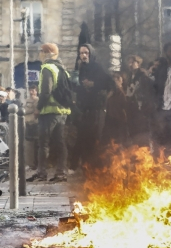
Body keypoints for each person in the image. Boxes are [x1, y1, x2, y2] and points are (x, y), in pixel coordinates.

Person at [26, 43, 71, 182]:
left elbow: (46, 91)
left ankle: (41, 173)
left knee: (43, 143)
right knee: (60, 142)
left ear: (48, 53)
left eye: (42, 51)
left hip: (49, 112)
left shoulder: (47, 68)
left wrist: (38, 108)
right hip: (62, 112)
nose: (40, 53)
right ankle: (61, 172)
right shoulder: (63, 69)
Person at [73, 43, 112, 169]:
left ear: (91, 53)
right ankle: (86, 166)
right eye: (81, 53)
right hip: (85, 109)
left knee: (95, 138)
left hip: (97, 109)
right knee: (83, 137)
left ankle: (97, 167)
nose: (84, 56)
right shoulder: (82, 68)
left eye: (86, 53)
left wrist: (94, 85)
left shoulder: (97, 67)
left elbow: (110, 85)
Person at [125, 55, 154, 147]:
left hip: (141, 107)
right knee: (133, 132)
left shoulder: (142, 75)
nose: (130, 64)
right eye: (129, 62)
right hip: (132, 107)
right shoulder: (130, 76)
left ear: (138, 63)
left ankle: (143, 152)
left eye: (132, 62)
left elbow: (147, 91)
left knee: (141, 132)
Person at [102, 72, 129, 146]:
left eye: (118, 79)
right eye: (114, 80)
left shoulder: (121, 92)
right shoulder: (111, 92)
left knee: (118, 141)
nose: (116, 82)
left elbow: (125, 106)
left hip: (119, 119)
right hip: (111, 118)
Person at [24, 84, 39, 170]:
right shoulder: (27, 100)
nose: (31, 92)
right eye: (30, 90)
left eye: (33, 90)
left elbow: (33, 110)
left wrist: (26, 110)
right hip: (27, 123)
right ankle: (30, 163)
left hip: (35, 124)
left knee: (36, 145)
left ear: (36, 91)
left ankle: (36, 163)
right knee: (29, 145)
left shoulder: (37, 100)